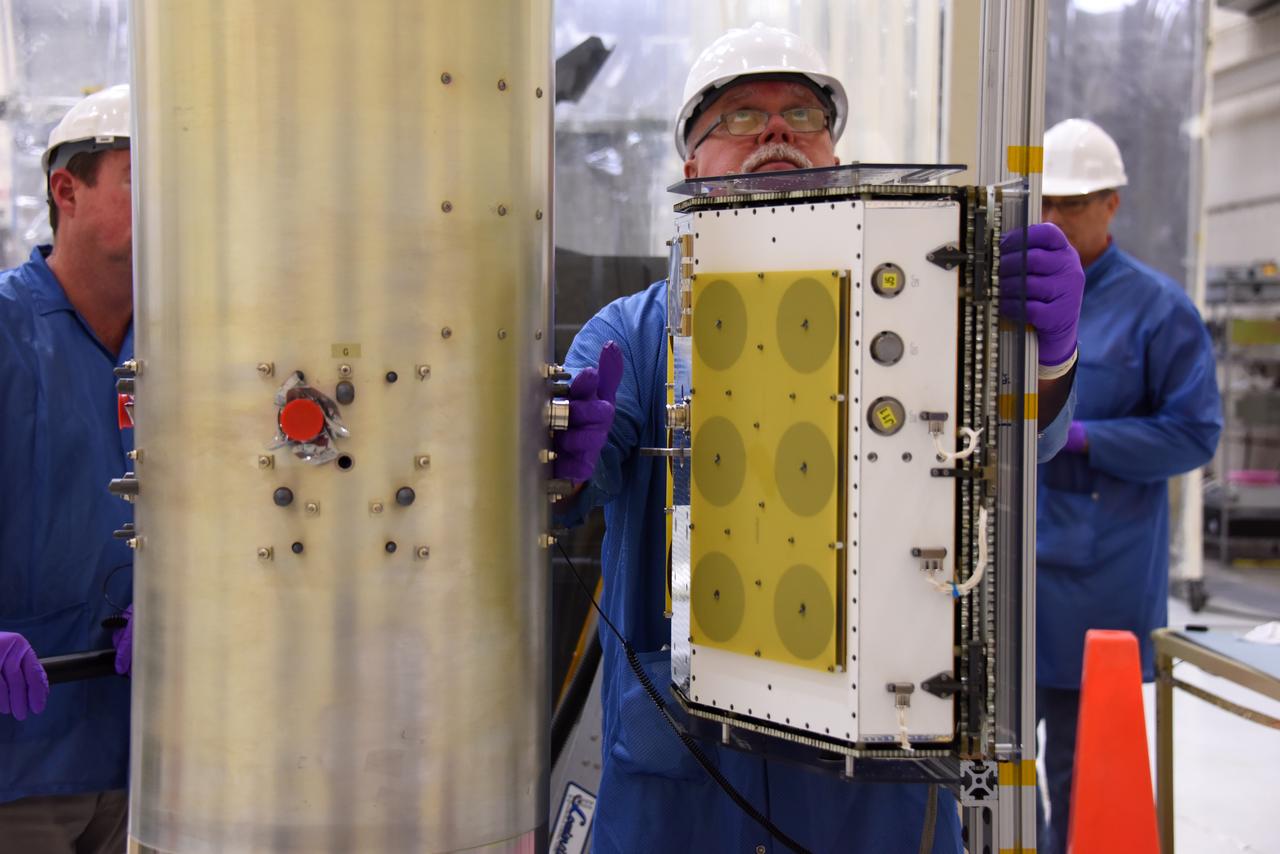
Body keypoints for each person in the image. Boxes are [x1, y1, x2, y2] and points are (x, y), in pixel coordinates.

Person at [551, 24, 1086, 853]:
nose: (776, 130)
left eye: (802, 114)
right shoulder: (636, 332)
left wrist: (1047, 360)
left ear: (836, 149)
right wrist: (565, 459)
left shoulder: (926, 305)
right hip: (685, 789)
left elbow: (1016, 455)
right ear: (690, 164)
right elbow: (581, 463)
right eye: (740, 116)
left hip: (871, 791)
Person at [1033, 118, 1222, 854]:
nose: (1054, 218)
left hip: (1098, 579)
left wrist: (1084, 436)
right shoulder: (1012, 296)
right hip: (1010, 575)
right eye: (1045, 202)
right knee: (992, 763)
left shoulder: (1158, 309)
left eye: (1074, 203)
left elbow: (1194, 433)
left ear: (1112, 204)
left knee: (1082, 771)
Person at [0, 84, 136, 852]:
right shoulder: (8, 330)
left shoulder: (179, 348)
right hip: (17, 763)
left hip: (143, 754)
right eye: (141, 179)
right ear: (66, 190)